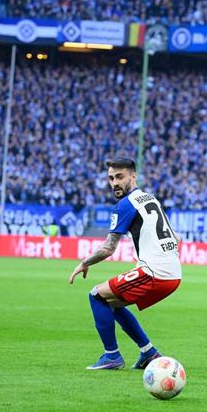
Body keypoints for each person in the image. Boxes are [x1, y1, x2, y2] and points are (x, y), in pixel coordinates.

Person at [69, 158, 182, 371]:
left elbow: (108, 248)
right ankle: (149, 353)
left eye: (120, 177)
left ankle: (111, 356)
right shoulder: (150, 199)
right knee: (112, 302)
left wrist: (84, 263)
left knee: (96, 295)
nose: (115, 183)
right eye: (111, 178)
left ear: (133, 176)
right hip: (173, 273)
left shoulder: (126, 204)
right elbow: (175, 237)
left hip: (155, 273)